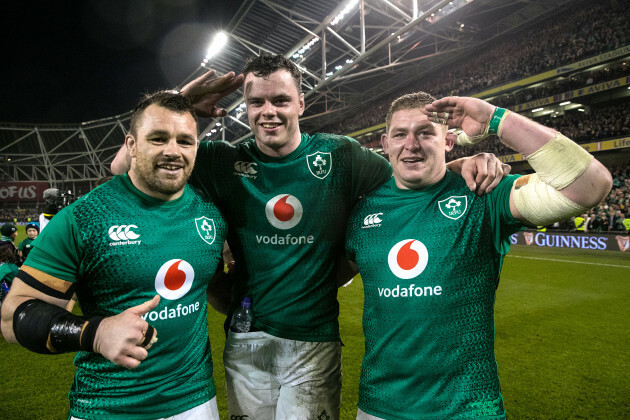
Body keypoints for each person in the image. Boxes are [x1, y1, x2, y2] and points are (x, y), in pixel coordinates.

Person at [112, 54, 510, 419]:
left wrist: (460, 162)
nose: (268, 112)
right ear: (245, 108)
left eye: (281, 100)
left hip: (313, 342)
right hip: (245, 339)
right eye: (257, 103)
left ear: (301, 104)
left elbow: (413, 171)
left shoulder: (342, 156)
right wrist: (175, 105)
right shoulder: (222, 161)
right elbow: (124, 168)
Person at [344, 92, 612, 419]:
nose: (411, 144)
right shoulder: (361, 212)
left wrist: (496, 120)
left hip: (470, 409)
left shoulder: (482, 193)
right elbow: (320, 279)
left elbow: (590, 185)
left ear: (449, 141)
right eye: (400, 134)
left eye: (426, 133)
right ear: (385, 144)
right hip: (378, 407)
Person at [1, 91, 229, 419]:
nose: (173, 151)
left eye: (185, 141)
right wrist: (94, 332)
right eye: (158, 138)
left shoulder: (210, 214)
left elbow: (216, 288)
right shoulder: (84, 219)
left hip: (197, 402)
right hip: (108, 406)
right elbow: (12, 318)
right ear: (132, 145)